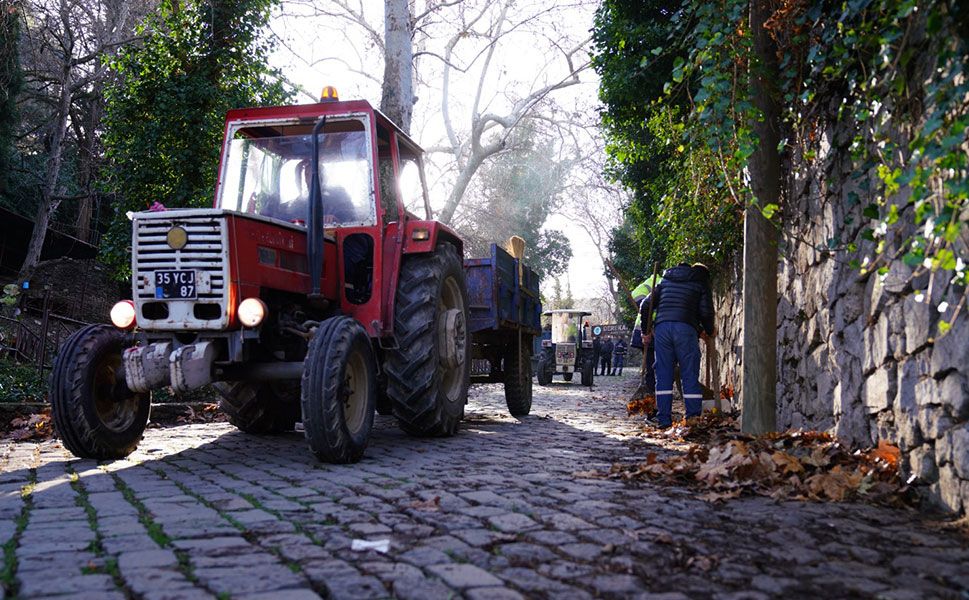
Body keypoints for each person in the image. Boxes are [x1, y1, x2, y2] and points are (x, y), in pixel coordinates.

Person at [642, 262, 714, 428]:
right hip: (685, 329)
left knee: (663, 373)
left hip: (662, 329)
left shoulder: (665, 281)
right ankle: (692, 419)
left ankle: (664, 420)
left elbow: (646, 305)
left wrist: (646, 331)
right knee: (688, 373)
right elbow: (706, 311)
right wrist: (709, 330)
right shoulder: (700, 281)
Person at [630, 270, 663, 395]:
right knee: (651, 366)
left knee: (652, 366)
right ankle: (651, 396)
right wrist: (648, 309)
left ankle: (655, 395)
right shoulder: (658, 281)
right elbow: (636, 294)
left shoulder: (660, 281)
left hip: (652, 330)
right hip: (646, 330)